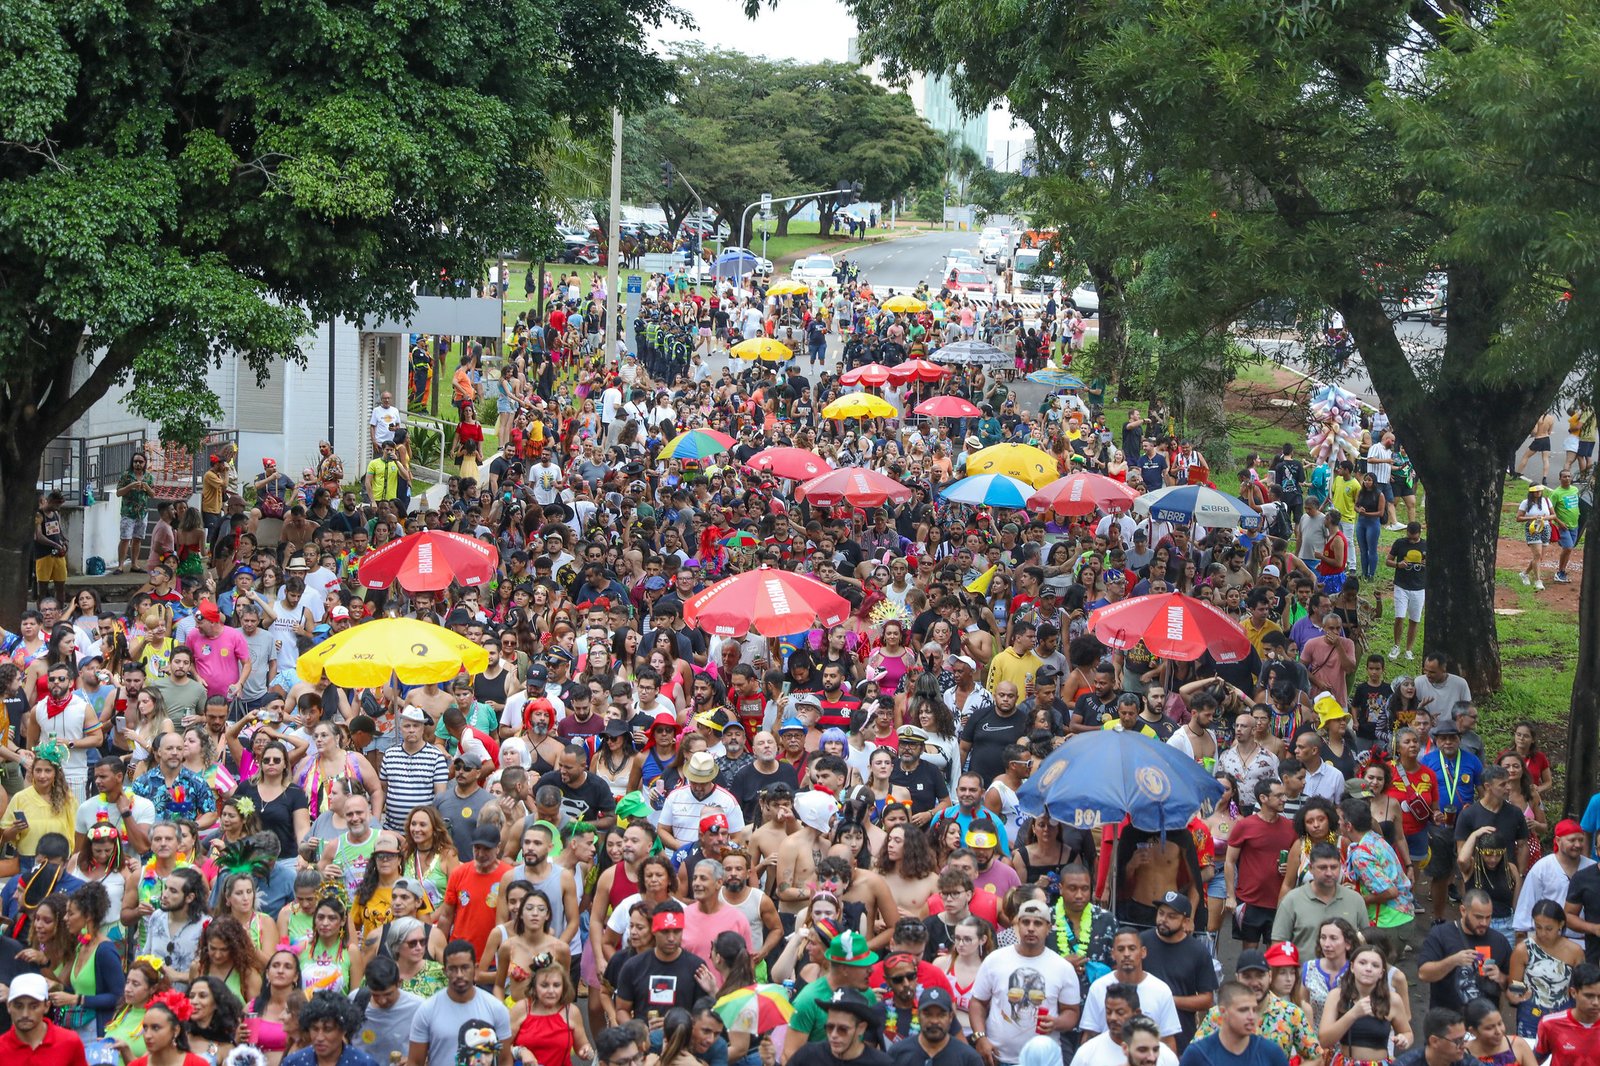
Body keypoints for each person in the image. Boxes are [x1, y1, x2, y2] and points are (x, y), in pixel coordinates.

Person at [967, 899, 1082, 1066]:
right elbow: (977, 1002)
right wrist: (980, 1037)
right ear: (1017, 925)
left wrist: (1056, 1023)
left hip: (1043, 1060)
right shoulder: (995, 960)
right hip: (997, 1058)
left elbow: (1071, 1012)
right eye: (1026, 922)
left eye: (1038, 923)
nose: (1031, 928)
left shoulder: (1062, 967)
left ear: (1048, 928)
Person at [405, 940, 511, 1066]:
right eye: (453, 969)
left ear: (475, 969)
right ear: (444, 971)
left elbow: (505, 1060)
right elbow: (415, 1062)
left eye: (465, 967)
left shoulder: (496, 1008)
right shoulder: (427, 1010)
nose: (459, 975)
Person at [1140, 892, 1219, 1049]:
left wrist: (1167, 1000)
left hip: (1180, 1036)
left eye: (1172, 916)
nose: (1163, 919)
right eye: (1161, 913)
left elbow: (1207, 999)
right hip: (1141, 1032)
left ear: (1186, 921)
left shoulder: (1198, 951)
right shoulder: (1141, 942)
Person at [1225, 779, 1296, 951]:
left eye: (1284, 795)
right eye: (1278, 796)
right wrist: (1230, 896)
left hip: (1280, 901)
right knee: (1249, 955)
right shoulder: (1245, 825)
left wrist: (1291, 868)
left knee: (1276, 954)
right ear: (1263, 798)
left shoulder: (1291, 827)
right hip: (1250, 900)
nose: (1284, 799)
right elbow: (1229, 861)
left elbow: (1300, 858)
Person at [1316, 941, 1413, 1062]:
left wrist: (1404, 1039)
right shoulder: (1336, 996)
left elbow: (1407, 1033)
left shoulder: (1392, 1000)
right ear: (1352, 967)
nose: (1368, 969)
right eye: (1362, 963)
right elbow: (1324, 1040)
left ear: (1381, 973)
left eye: (1375, 965)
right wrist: (1353, 1014)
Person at [1270, 843, 1367, 963]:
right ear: (1310, 868)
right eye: (1322, 867)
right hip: (1303, 979)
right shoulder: (1292, 900)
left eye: (1334, 867)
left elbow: (1365, 943)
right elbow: (1278, 945)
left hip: (1345, 978)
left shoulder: (1355, 900)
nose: (1329, 873)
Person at [1417, 888, 1511, 1011]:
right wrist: (1453, 961)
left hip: (1485, 1024)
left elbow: (1514, 985)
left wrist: (1501, 978)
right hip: (1448, 1023)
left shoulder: (1499, 941)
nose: (1484, 922)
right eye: (1478, 917)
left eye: (1488, 917)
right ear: (1463, 911)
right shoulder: (1441, 934)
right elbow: (1424, 974)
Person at [613, 902, 708, 1023]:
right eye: (665, 932)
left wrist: (679, 1027)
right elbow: (622, 1010)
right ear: (654, 930)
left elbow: (704, 1014)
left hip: (683, 1039)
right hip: (645, 1040)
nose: (671, 938)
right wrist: (638, 1033)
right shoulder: (633, 966)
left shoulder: (697, 968)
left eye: (677, 931)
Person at [1179, 981, 1289, 1066]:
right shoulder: (1197, 1055)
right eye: (1243, 1010)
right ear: (1223, 1012)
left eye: (1254, 1010)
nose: (1251, 1016)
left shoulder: (1271, 1053)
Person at [786, 988, 892, 1066]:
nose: (833, 1035)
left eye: (843, 1029)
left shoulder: (881, 1063)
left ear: (861, 1028)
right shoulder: (808, 1055)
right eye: (829, 1027)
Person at [886, 986, 981, 1066]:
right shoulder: (898, 1053)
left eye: (941, 1015)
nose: (934, 1021)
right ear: (918, 1015)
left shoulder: (968, 1058)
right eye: (928, 1015)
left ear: (951, 1017)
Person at [282, 990, 378, 1066]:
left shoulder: (364, 1063)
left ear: (343, 1030)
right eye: (315, 1029)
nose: (319, 1038)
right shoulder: (293, 1062)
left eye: (327, 1029)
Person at [1533, 962, 1600, 1066]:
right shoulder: (1550, 1024)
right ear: (1573, 993)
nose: (1596, 1002)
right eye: (1589, 996)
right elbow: (1533, 1061)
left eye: (1599, 997)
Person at [1391, 1007, 1477, 1066]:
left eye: (1464, 1038)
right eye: (1458, 1041)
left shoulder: (1467, 1062)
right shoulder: (1406, 1063)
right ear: (1434, 1041)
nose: (1464, 1046)